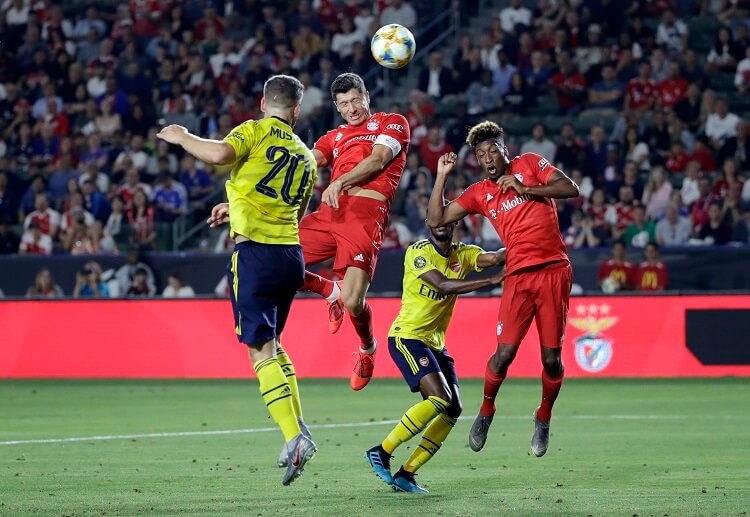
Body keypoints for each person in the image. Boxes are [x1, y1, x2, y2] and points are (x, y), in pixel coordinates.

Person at [158, 75, 317, 486]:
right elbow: (291, 212)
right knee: (276, 346)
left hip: (257, 256)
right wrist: (237, 207)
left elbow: (219, 154)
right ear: (296, 110)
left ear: (264, 102)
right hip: (290, 255)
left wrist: (182, 136)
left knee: (259, 352)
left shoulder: (255, 129)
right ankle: (299, 428)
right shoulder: (306, 156)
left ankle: (294, 437)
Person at [209, 73, 410, 391]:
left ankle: (367, 348)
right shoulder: (333, 137)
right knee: (279, 261)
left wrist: (341, 181)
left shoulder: (392, 122)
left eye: (356, 100)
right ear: (337, 107)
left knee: (354, 300)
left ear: (367, 96)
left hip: (365, 216)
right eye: (344, 104)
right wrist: (236, 205)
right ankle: (328, 291)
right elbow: (290, 168)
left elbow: (379, 159)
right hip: (329, 213)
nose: (352, 108)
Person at [426, 121, 579, 458]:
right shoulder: (480, 192)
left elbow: (571, 189)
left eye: (491, 150)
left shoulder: (530, 165)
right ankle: (486, 410)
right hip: (518, 277)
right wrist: (442, 177)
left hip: (553, 271)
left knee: (551, 360)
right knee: (504, 355)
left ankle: (543, 417)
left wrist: (528, 189)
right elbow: (436, 220)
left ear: (503, 148)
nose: (487, 158)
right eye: (480, 154)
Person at [364, 222, 505, 493]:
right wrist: (492, 280)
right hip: (408, 337)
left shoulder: (463, 254)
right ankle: (381, 451)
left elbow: (497, 256)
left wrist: (527, 243)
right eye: (436, 221)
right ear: (429, 225)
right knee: (440, 398)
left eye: (447, 220)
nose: (441, 225)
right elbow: (442, 285)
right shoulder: (418, 252)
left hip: (435, 344)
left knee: (454, 408)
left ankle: (407, 474)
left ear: (455, 224)